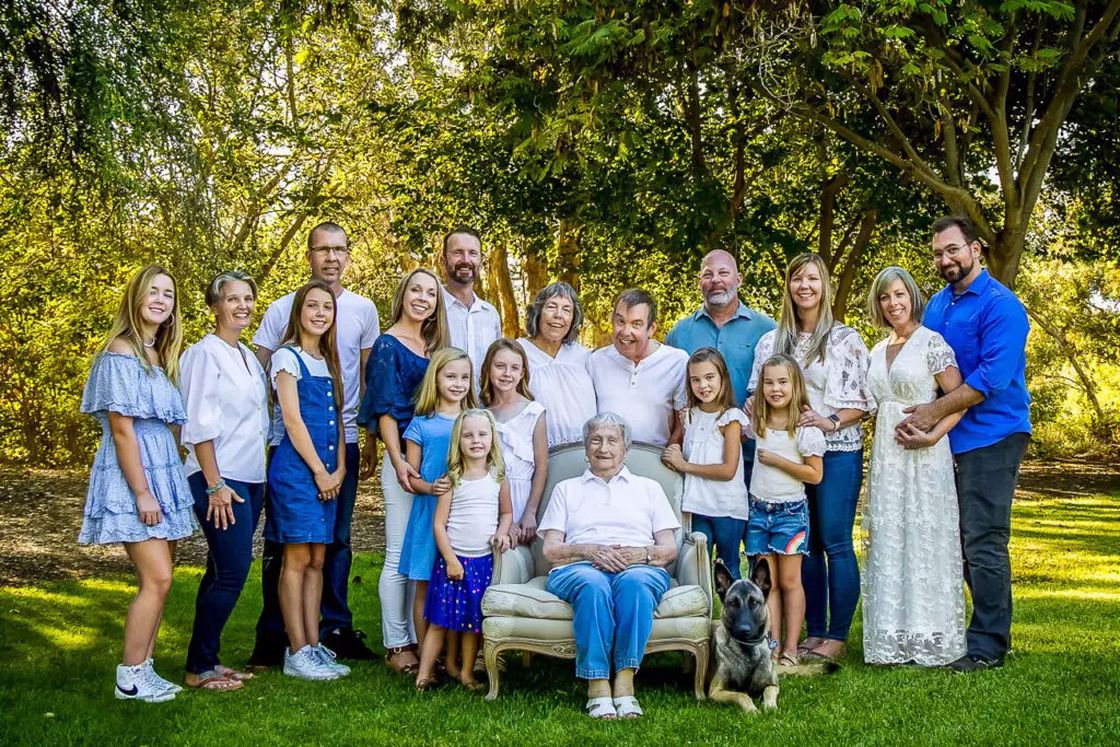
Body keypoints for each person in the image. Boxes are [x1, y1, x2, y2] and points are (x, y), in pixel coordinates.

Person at [897, 216, 1032, 672]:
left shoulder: (1002, 306)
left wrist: (931, 414)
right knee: (953, 541)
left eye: (952, 249)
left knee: (984, 539)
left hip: (993, 434)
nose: (945, 259)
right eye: (937, 253)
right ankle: (965, 629)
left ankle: (989, 645)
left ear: (976, 249)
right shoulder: (936, 304)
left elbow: (988, 381)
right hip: (944, 440)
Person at [250, 221, 380, 666]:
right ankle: (280, 638)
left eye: (339, 249)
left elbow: (364, 380)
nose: (331, 257)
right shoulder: (281, 316)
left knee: (329, 547)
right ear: (308, 256)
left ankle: (326, 633)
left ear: (348, 255)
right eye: (322, 249)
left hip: (338, 444)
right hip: (294, 451)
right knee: (287, 548)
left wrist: (358, 447)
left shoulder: (361, 312)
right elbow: (261, 383)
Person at [78, 265, 195, 703]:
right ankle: (128, 676)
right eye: (153, 292)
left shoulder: (157, 353)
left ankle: (144, 669)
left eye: (168, 294)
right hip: (135, 474)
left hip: (161, 469)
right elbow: (123, 429)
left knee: (163, 578)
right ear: (136, 297)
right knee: (157, 578)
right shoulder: (121, 351)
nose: (161, 300)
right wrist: (142, 492)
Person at [749, 253, 870, 664]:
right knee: (805, 546)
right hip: (784, 457)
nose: (805, 285)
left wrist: (826, 421)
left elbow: (861, 401)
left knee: (835, 541)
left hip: (835, 452)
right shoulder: (771, 341)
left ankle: (837, 635)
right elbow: (754, 396)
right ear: (789, 286)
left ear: (825, 287)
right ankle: (813, 630)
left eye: (813, 279)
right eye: (797, 278)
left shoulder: (844, 339)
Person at [539, 412, 680, 720]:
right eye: (595, 440)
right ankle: (597, 682)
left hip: (637, 565)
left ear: (625, 449)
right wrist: (588, 550)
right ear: (586, 448)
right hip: (578, 566)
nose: (603, 448)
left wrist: (638, 554)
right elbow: (550, 549)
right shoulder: (566, 489)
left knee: (635, 584)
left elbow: (669, 549)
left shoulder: (649, 488)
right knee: (594, 584)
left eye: (612, 440)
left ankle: (626, 681)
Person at [862, 266, 966, 666]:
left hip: (925, 457)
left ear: (912, 297)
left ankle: (930, 635)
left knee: (925, 539)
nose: (893, 303)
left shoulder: (931, 343)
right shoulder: (876, 349)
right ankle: (892, 637)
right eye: (886, 297)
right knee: (892, 538)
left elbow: (958, 398)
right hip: (888, 461)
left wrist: (936, 434)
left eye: (900, 294)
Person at [179, 271, 269, 691]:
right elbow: (198, 424)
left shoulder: (248, 356)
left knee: (219, 570)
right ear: (214, 306)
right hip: (220, 478)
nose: (242, 306)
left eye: (248, 298)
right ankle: (199, 668)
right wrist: (214, 484)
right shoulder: (204, 354)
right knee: (233, 570)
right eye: (232, 299)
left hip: (251, 476)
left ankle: (206, 659)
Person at [357, 268, 448, 676]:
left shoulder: (434, 347)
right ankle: (396, 643)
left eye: (430, 293)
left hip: (434, 464)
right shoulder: (387, 345)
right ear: (403, 294)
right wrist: (398, 462)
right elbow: (384, 410)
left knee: (424, 556)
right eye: (416, 290)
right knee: (398, 554)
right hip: (405, 463)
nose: (423, 298)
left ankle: (422, 637)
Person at [265, 280, 351, 681]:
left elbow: (338, 422)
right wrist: (319, 470)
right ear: (298, 311)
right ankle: (296, 650)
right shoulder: (287, 358)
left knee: (318, 559)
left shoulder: (329, 361)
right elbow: (293, 420)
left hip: (328, 472)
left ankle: (315, 645)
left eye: (327, 308)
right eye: (312, 306)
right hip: (299, 472)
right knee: (297, 560)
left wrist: (340, 470)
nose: (320, 313)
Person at [415, 409, 513, 692]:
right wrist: (450, 560)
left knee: (473, 623)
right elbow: (438, 525)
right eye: (468, 435)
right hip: (452, 561)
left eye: (482, 434)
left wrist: (502, 533)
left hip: (482, 562)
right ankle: (425, 672)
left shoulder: (497, 478)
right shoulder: (451, 480)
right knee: (439, 621)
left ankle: (466, 673)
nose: (476, 441)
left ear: (492, 438)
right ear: (458, 441)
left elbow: (506, 513)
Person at [666, 249, 776, 485]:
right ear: (699, 283)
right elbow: (671, 393)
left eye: (723, 273)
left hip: (756, 453)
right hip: (698, 455)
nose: (716, 280)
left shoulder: (767, 330)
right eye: (708, 274)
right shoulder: (679, 333)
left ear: (739, 279)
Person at [745, 354, 825, 668]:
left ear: (795, 385)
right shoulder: (758, 421)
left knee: (790, 582)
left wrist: (779, 462)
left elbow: (815, 475)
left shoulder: (804, 427)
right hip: (758, 511)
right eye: (769, 382)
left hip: (790, 514)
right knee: (770, 583)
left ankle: (792, 646)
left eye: (782, 382)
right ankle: (773, 644)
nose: (775, 389)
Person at [400, 347, 478, 646]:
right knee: (425, 586)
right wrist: (431, 488)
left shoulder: (474, 421)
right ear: (436, 379)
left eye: (465, 377)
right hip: (429, 513)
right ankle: (424, 654)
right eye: (451, 377)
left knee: (458, 582)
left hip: (465, 514)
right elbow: (412, 477)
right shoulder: (421, 424)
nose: (458, 384)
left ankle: (455, 655)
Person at [661, 348, 750, 578]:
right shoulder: (688, 416)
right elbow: (673, 450)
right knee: (697, 569)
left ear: (723, 377)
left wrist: (685, 466)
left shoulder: (731, 419)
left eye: (710, 377)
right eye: (695, 380)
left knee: (728, 567)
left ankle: (735, 615)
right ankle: (704, 614)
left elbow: (728, 470)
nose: (703, 385)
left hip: (726, 508)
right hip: (696, 507)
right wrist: (673, 454)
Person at [587, 289, 688, 448]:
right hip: (604, 460)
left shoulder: (677, 361)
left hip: (654, 459)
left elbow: (681, 423)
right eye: (620, 321)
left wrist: (666, 460)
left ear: (651, 328)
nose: (626, 332)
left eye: (636, 324)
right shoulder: (596, 361)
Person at [481, 339, 548, 544]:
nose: (507, 373)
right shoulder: (481, 414)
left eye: (514, 368)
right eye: (500, 366)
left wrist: (530, 512)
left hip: (521, 498)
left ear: (522, 373)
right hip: (489, 499)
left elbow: (542, 467)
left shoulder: (533, 412)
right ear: (488, 369)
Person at [516, 282, 596, 448]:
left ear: (573, 319)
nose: (558, 315)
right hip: (536, 453)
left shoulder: (583, 356)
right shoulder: (518, 352)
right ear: (538, 312)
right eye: (551, 307)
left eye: (566, 310)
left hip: (583, 453)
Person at [441, 227, 502, 388]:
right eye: (458, 253)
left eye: (473, 253)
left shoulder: (490, 314)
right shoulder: (431, 308)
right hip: (441, 410)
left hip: (483, 410)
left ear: (480, 261)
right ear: (443, 260)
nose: (466, 260)